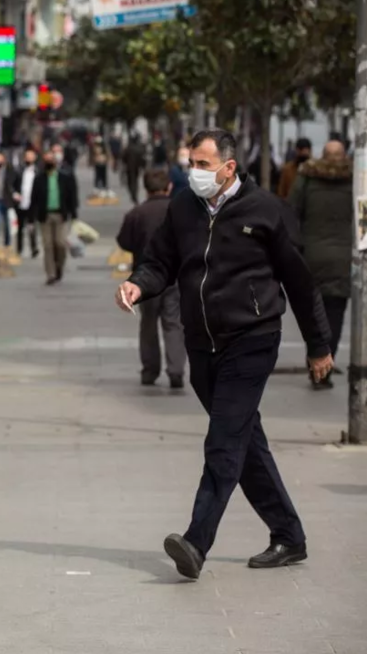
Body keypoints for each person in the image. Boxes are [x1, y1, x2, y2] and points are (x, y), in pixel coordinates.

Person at [116, 129, 333, 581]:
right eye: (190, 163)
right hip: (203, 344)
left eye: (201, 164)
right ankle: (289, 535)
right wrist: (139, 284)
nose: (193, 172)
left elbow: (299, 280)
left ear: (228, 168)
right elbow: (160, 262)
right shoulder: (182, 207)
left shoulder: (266, 211)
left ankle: (196, 542)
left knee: (223, 441)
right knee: (243, 440)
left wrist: (318, 345)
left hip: (252, 339)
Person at [289, 140, 354, 390]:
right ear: (343, 156)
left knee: (313, 313)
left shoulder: (306, 177)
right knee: (335, 315)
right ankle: (325, 369)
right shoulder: (356, 178)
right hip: (342, 259)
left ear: (322, 154)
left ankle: (314, 362)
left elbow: (291, 211)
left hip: (311, 257)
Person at [115, 168, 186, 388]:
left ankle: (150, 370)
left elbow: (124, 241)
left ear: (146, 189)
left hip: (144, 278)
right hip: (174, 277)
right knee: (173, 322)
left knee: (148, 324)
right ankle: (176, 371)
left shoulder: (137, 213)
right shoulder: (180, 212)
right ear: (170, 187)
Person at [31, 148, 79, 285]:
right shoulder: (39, 178)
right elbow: (34, 199)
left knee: (60, 243)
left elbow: (72, 195)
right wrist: (31, 217)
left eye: (51, 160)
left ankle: (59, 266)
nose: (49, 162)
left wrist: (73, 214)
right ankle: (50, 273)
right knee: (47, 245)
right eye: (46, 160)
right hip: (45, 216)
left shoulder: (65, 176)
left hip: (61, 215)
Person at [12, 148, 40, 258]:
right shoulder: (19, 171)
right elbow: (13, 185)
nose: (29, 158)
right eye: (27, 156)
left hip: (32, 204)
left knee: (32, 226)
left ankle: (34, 248)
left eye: (31, 156)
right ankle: (19, 248)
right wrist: (15, 194)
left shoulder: (37, 172)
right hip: (21, 203)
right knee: (20, 228)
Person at [122, 134, 146, 205]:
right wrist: (142, 166)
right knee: (135, 181)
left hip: (129, 167)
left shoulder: (128, 148)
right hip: (136, 167)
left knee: (130, 181)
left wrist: (125, 162)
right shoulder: (139, 148)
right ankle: (134, 194)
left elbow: (124, 157)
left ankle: (133, 194)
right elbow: (142, 158)